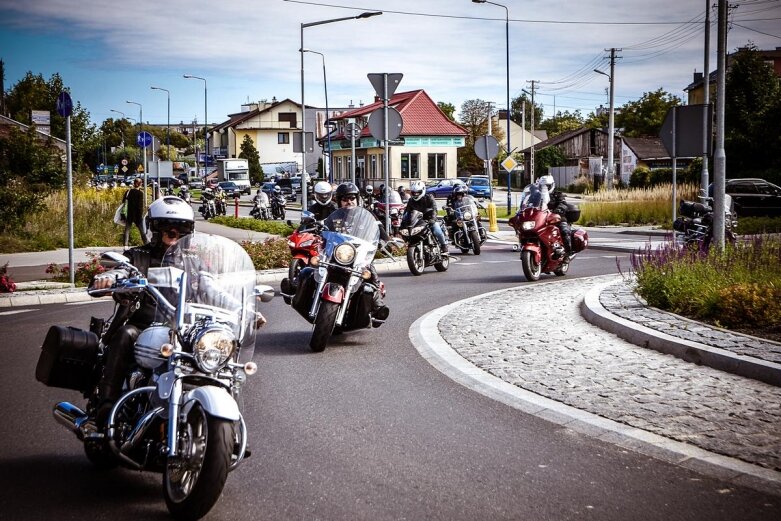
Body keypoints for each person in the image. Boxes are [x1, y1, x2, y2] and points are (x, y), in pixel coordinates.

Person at [91, 196, 196, 429]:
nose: (174, 232)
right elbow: (121, 270)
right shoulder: (137, 256)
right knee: (127, 333)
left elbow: (212, 286)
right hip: (142, 326)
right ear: (153, 228)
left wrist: (245, 307)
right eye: (166, 226)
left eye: (181, 227)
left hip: (183, 330)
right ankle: (107, 405)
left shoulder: (193, 263)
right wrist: (109, 278)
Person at [332, 182, 389, 320]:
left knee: (369, 273)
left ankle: (378, 305)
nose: (349, 202)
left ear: (357, 199)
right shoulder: (334, 216)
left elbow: (380, 230)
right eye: (345, 199)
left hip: (360, 257)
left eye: (352, 198)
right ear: (339, 201)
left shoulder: (367, 215)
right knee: (318, 267)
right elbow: (324, 229)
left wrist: (384, 242)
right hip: (338, 254)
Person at [405, 180, 448, 252]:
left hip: (429, 220)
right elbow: (407, 212)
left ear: (423, 190)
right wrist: (404, 221)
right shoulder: (411, 201)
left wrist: (433, 219)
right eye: (414, 193)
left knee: (437, 231)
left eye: (418, 192)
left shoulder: (429, 197)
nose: (415, 194)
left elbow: (434, 209)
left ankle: (444, 246)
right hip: (417, 222)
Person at [538, 174, 572, 258]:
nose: (544, 188)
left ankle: (567, 254)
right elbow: (529, 203)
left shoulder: (558, 195)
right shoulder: (537, 195)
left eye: (547, 186)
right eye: (542, 186)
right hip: (542, 218)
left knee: (564, 230)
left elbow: (563, 204)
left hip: (557, 218)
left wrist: (558, 209)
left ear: (552, 185)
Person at [122, 178, 148, 247]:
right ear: (139, 184)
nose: (142, 184)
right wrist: (140, 216)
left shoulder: (128, 191)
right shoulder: (140, 193)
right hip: (137, 216)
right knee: (142, 231)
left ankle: (125, 245)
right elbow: (140, 206)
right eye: (141, 183)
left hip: (129, 214)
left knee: (127, 230)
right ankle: (147, 244)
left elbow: (123, 201)